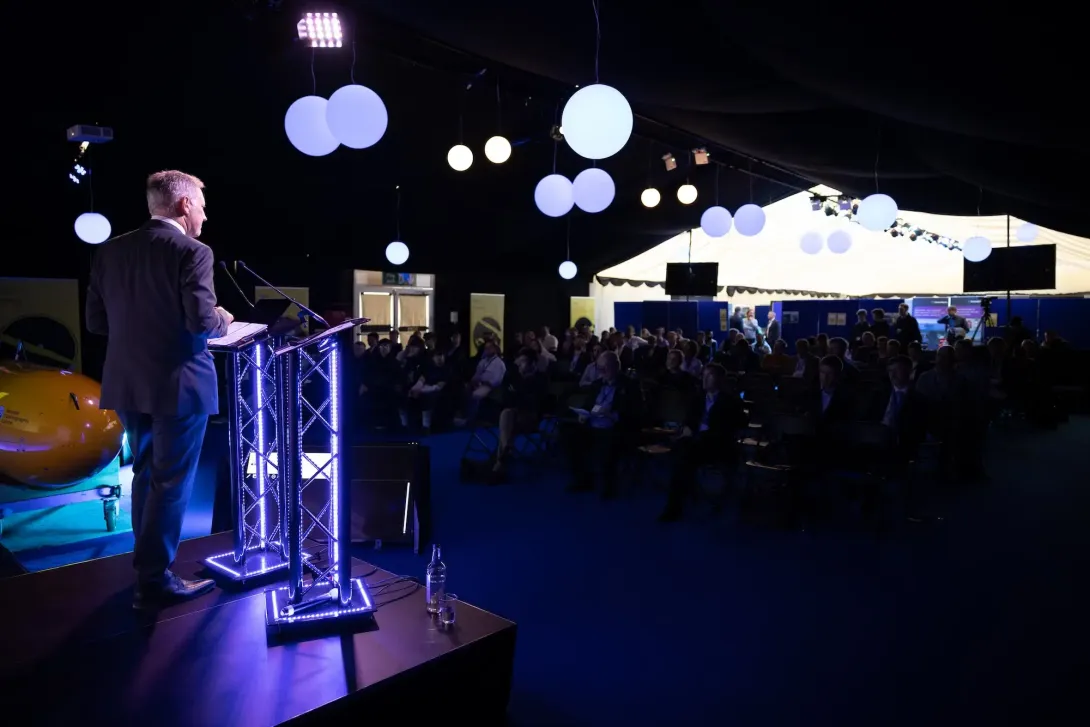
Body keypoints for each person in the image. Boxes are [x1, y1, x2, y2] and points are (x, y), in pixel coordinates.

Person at [85, 170, 231, 609]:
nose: (205, 216)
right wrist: (224, 316)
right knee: (170, 483)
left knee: (147, 475)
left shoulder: (108, 253)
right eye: (202, 206)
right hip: (179, 384)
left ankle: (148, 570)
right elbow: (203, 322)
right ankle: (152, 580)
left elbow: (95, 323)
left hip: (129, 383)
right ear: (184, 205)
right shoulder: (193, 252)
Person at [658, 364, 747, 522]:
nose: (704, 379)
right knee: (683, 454)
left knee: (684, 456)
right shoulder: (698, 398)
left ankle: (676, 504)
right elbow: (690, 420)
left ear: (719, 379)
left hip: (717, 445)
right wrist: (687, 428)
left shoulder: (731, 402)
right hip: (695, 443)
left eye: (710, 375)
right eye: (703, 375)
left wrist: (700, 433)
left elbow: (731, 429)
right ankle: (675, 504)